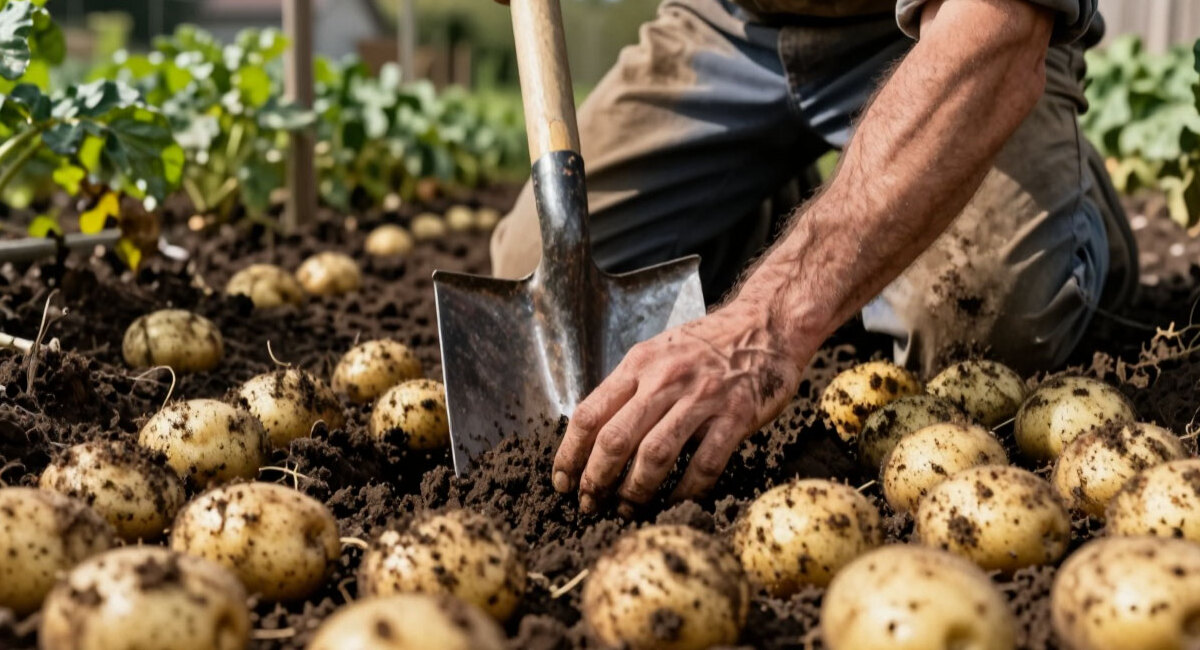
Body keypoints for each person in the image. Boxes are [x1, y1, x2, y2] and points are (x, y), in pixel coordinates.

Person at [489, 0, 1138, 515]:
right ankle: (800, 217)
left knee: (978, 321)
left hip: (941, 33)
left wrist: (765, 324)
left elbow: (997, 23)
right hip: (735, 22)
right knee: (532, 256)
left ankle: (1071, 225)